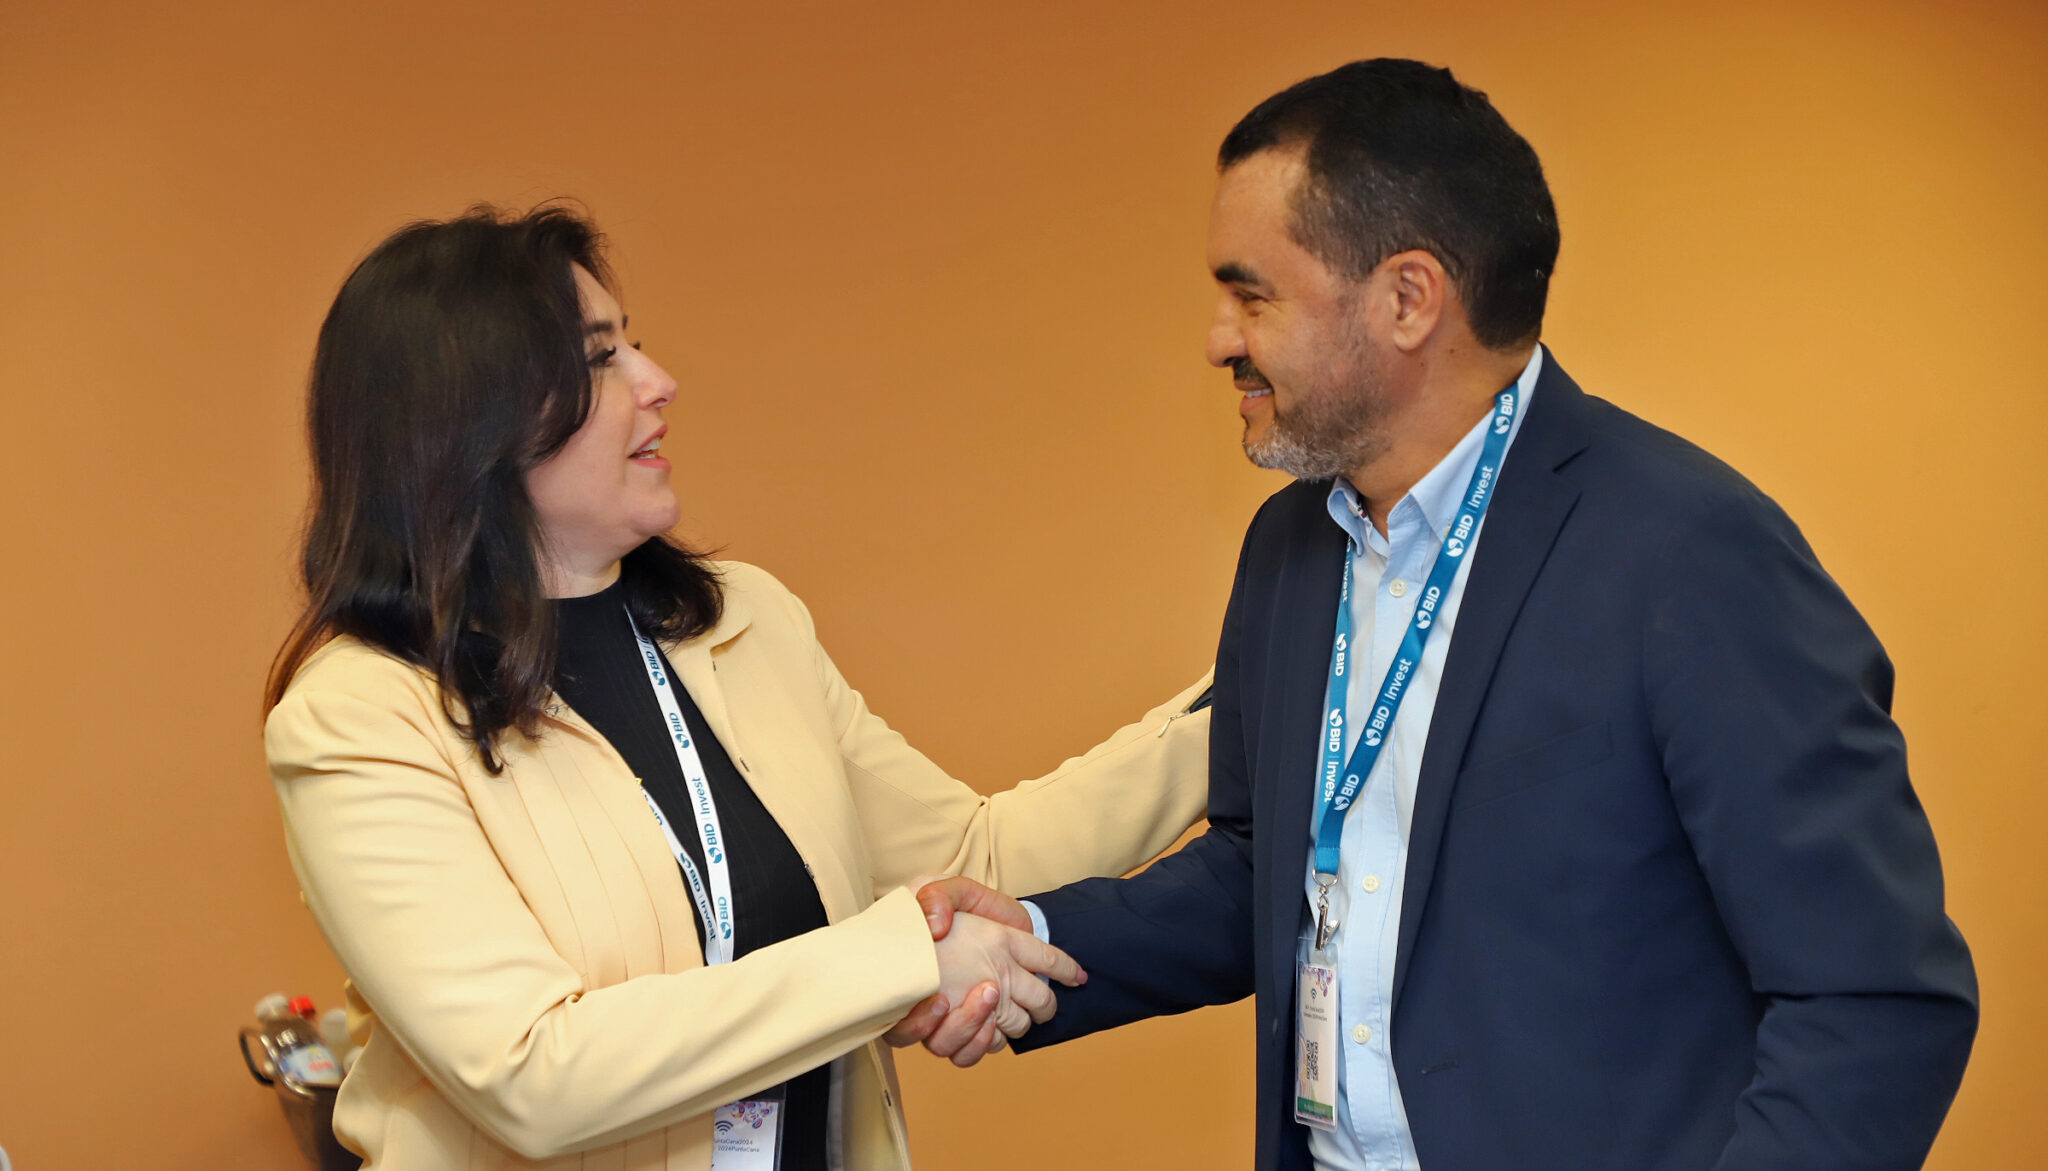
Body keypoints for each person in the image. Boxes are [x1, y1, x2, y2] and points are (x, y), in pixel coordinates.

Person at [919, 58, 1978, 1170]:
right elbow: (1267, 871)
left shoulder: (1689, 551)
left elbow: (1873, 1000)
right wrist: (1037, 937)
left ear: (1408, 299)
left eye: (1252, 294)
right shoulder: (1289, 548)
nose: (1218, 338)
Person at [262, 205, 1212, 1170]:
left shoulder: (743, 622)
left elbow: (975, 854)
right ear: (471, 424)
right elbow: (531, 1071)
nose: (657, 381)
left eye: (634, 346)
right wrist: (899, 960)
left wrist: (1247, 712)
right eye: (601, 359)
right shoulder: (358, 720)